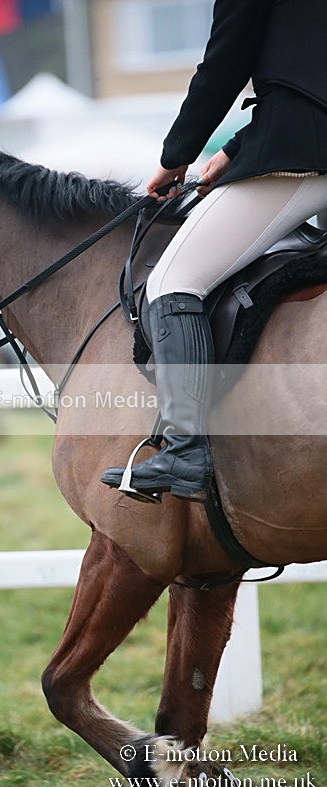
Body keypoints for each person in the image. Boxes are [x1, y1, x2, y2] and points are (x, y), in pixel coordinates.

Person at [101, 0, 327, 503]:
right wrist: (235, 150)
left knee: (171, 282)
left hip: (307, 146)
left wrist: (176, 156)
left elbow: (225, 62)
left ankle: (184, 451)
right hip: (296, 131)